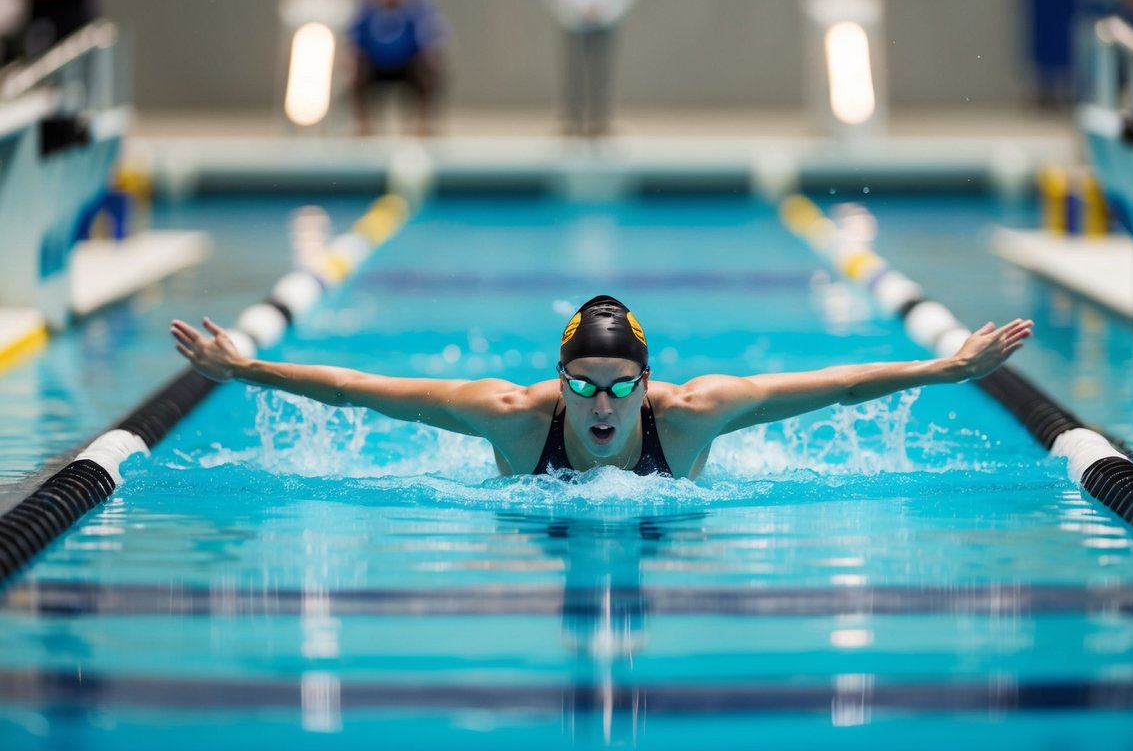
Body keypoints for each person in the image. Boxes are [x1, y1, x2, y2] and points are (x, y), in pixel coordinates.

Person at [171, 295, 1034, 480]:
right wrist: (245, 370)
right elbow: (361, 389)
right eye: (583, 385)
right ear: (558, 380)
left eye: (619, 388)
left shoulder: (692, 418)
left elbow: (835, 385)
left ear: (646, 384)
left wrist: (947, 369)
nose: (601, 407)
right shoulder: (512, 420)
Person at [540, 0, 638, 138]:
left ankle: (599, 120)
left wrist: (606, 8)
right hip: (573, 21)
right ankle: (573, 120)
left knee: (601, 71)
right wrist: (573, 8)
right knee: (574, 71)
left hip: (605, 19)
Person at [348, 0, 447, 136]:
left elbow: (432, 35)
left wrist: (431, 55)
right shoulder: (366, 6)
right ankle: (363, 126)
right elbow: (353, 37)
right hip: (374, 67)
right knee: (354, 71)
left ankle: (422, 125)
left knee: (430, 70)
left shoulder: (419, 6)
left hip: (407, 67)